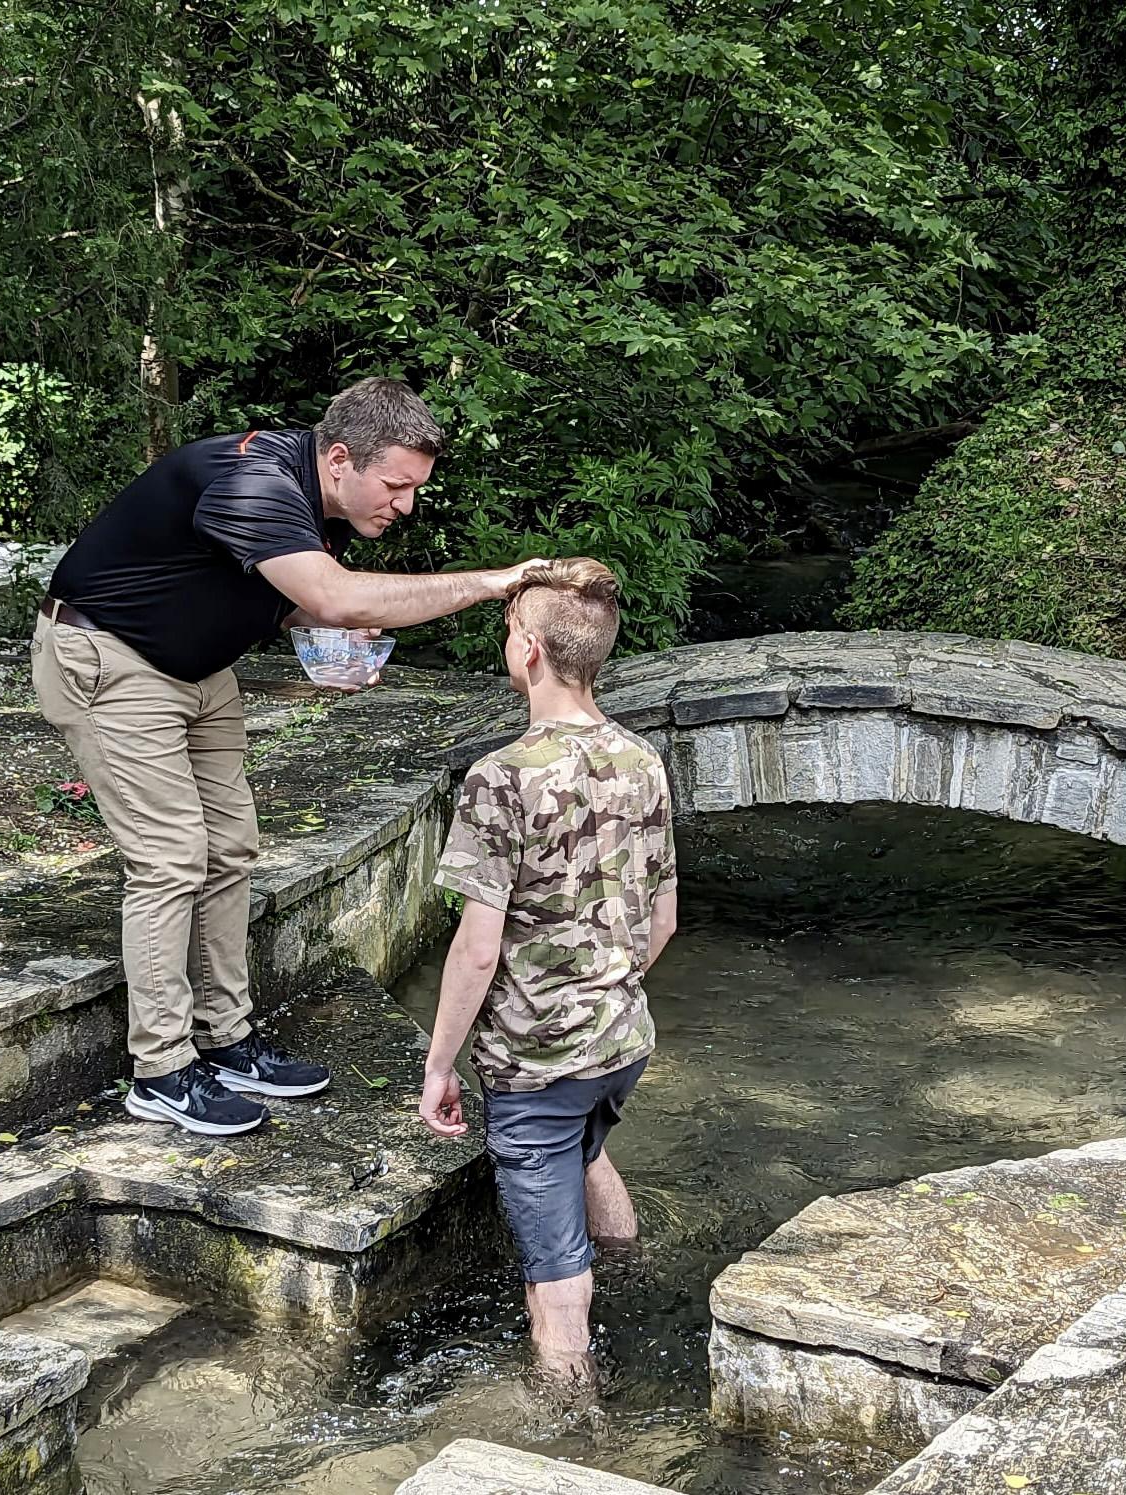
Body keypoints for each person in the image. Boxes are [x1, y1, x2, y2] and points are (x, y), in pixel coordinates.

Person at [33, 376, 543, 1137]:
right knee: (172, 857)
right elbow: (335, 594)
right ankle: (162, 1071)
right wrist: (491, 584)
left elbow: (298, 593)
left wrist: (333, 628)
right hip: (109, 659)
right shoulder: (254, 480)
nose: (406, 505)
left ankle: (226, 1038)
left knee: (230, 848)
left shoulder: (320, 499)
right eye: (398, 485)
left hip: (198, 669)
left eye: (414, 489)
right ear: (339, 457)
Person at [417, 558, 678, 1380]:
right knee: (589, 1149)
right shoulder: (643, 759)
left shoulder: (501, 777)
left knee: (555, 1283)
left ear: (527, 650)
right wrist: (605, 991)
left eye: (507, 630)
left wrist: (439, 1063)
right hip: (622, 1041)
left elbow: (476, 946)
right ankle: (636, 1279)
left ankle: (572, 1425)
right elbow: (664, 918)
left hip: (536, 1064)